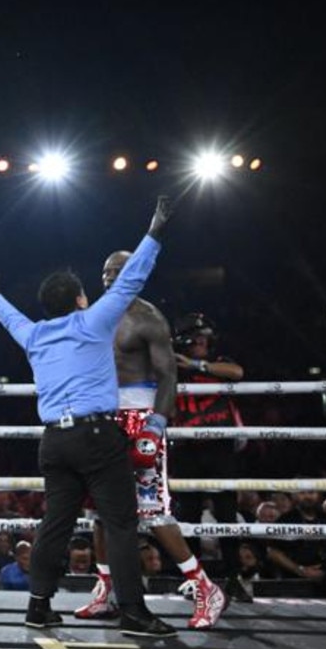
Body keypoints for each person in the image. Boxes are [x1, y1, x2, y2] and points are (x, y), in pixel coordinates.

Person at [0, 196, 177, 638]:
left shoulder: (35, 335)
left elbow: (11, 320)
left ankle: (38, 606)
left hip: (54, 443)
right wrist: (156, 229)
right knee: (120, 523)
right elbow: (132, 277)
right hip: (96, 437)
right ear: (82, 298)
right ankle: (135, 614)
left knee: (55, 524)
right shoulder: (94, 321)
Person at [72, 249, 226, 629]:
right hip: (101, 417)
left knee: (153, 511)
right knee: (98, 513)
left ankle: (204, 587)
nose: (109, 277)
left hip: (140, 416)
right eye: (106, 270)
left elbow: (169, 375)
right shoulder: (96, 316)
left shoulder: (148, 317)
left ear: (137, 273)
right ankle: (106, 589)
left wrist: (155, 424)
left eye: (119, 270)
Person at [171, 311, 246, 572]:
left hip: (219, 446)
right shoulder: (170, 368)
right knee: (187, 514)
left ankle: (234, 576)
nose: (202, 343)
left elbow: (238, 372)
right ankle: (193, 578)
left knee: (226, 513)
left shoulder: (218, 364)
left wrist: (196, 366)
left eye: (204, 339)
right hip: (184, 447)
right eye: (196, 339)